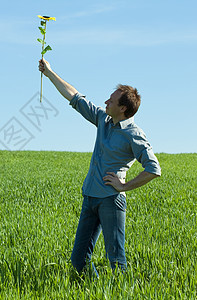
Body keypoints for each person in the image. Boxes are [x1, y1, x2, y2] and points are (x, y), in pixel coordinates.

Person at [38, 58, 161, 275]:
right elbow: (75, 97)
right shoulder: (103, 120)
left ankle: (119, 293)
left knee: (116, 260)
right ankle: (92, 291)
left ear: (123, 108)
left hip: (111, 201)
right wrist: (49, 73)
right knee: (78, 262)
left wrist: (123, 186)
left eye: (111, 101)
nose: (106, 102)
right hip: (90, 197)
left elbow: (153, 169)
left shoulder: (134, 134)